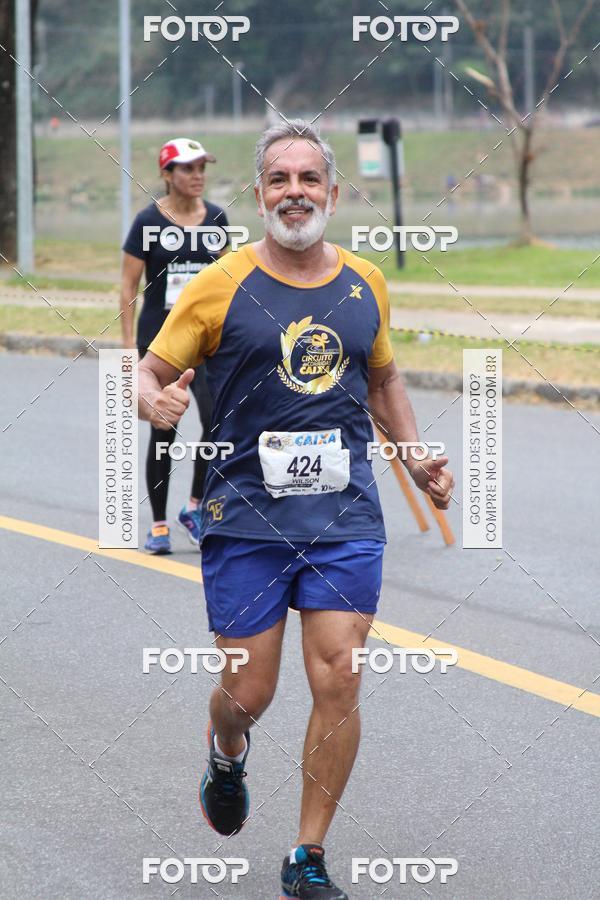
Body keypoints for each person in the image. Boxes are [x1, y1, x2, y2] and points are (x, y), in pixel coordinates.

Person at [137, 120, 454, 899]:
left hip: (344, 515)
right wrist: (155, 402)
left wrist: (415, 456)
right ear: (258, 195)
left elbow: (381, 381)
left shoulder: (365, 282)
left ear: (333, 193)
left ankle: (307, 855)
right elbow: (148, 373)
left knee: (341, 676)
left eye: (309, 179)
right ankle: (226, 748)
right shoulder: (220, 284)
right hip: (245, 515)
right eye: (279, 179)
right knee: (250, 691)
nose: (295, 193)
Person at [120, 137, 229, 554]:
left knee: (217, 422)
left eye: (202, 167)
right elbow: (129, 285)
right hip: (161, 343)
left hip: (206, 343)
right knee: (164, 428)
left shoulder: (218, 219)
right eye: (187, 168)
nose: (197, 176)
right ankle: (160, 524)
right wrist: (130, 346)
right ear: (167, 175)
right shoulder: (148, 221)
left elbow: (226, 283)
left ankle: (196, 507)